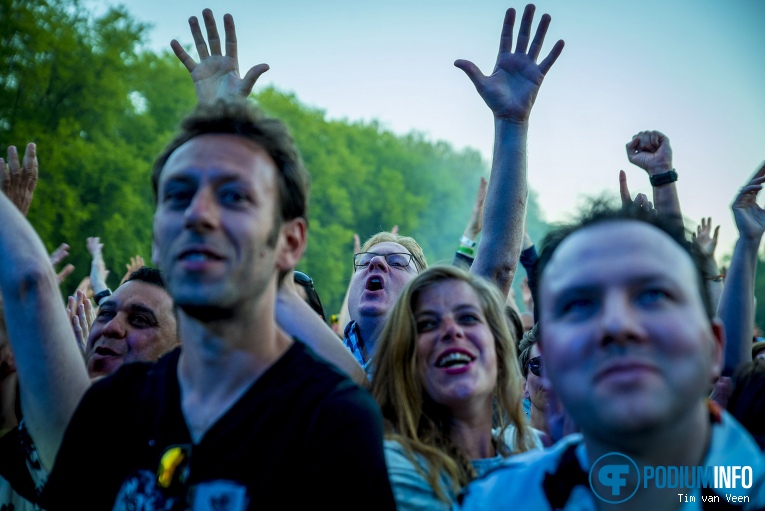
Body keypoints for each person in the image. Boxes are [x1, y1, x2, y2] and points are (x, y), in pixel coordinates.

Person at [458, 201, 765, 510]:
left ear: (713, 347)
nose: (617, 325)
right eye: (579, 304)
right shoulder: (492, 502)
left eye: (653, 295)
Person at [345, 2, 564, 376]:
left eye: (397, 262)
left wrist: (511, 123)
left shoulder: (439, 360)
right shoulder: (308, 357)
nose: (377, 263)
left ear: (424, 295)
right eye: (364, 262)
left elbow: (496, 268)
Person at [372, 265, 539, 510]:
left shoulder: (532, 446)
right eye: (427, 324)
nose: (452, 330)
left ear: (500, 351)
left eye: (468, 318)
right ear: (403, 356)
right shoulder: (392, 464)